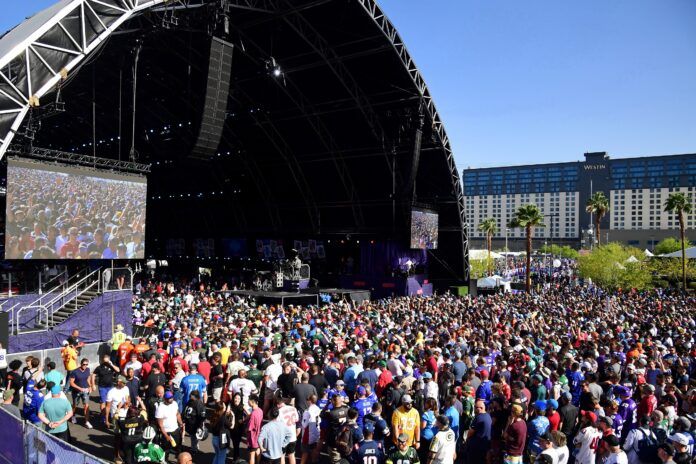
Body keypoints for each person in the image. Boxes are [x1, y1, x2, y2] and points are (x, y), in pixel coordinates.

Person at [156, 390, 183, 458]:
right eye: (169, 398)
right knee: (166, 450)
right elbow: (160, 425)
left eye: (172, 397)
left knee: (178, 448)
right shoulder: (160, 408)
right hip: (167, 432)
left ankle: (179, 460)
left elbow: (177, 414)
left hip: (176, 430)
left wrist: (181, 424)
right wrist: (166, 436)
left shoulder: (174, 403)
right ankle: (165, 461)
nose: (171, 399)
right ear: (164, 399)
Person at [93, 354, 120, 423]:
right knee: (103, 402)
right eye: (104, 361)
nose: (105, 362)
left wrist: (111, 364)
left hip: (110, 387)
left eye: (107, 361)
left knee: (111, 401)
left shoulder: (111, 366)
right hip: (102, 387)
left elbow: (118, 370)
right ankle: (103, 416)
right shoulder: (99, 367)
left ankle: (109, 415)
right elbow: (93, 375)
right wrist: (93, 384)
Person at [69, 357, 94, 428]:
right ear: (81, 364)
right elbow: (71, 383)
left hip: (85, 391)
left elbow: (88, 379)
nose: (85, 366)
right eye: (84, 364)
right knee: (75, 405)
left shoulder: (88, 370)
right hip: (76, 391)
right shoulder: (75, 372)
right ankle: (73, 416)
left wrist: (90, 386)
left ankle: (87, 421)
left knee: (86, 405)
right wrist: (80, 388)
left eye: (86, 364)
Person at [182, 389, 206, 456]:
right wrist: (184, 419)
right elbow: (185, 410)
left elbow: (201, 416)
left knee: (194, 438)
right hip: (190, 424)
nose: (190, 396)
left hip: (195, 424)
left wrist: (200, 426)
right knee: (193, 437)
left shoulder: (199, 403)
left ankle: (194, 450)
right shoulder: (190, 401)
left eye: (191, 395)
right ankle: (194, 448)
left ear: (195, 396)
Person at [300, 394, 321, 464]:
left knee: (305, 451)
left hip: (308, 434)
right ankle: (314, 461)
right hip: (316, 431)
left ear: (310, 401)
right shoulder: (318, 409)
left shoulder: (307, 411)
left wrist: (301, 420)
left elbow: (304, 424)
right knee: (314, 449)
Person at [248, 394, 265, 464]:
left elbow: (249, 428)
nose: (248, 402)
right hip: (259, 435)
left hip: (253, 437)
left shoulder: (253, 414)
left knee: (251, 454)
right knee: (258, 450)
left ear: (252, 402)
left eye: (248, 401)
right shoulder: (260, 410)